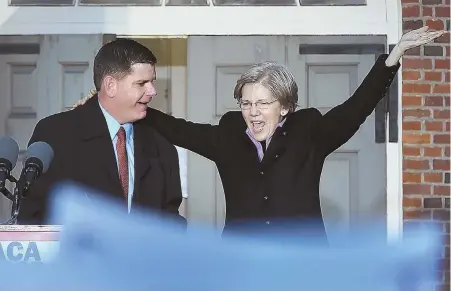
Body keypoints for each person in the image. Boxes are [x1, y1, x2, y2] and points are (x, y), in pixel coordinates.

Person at [75, 27, 446, 237]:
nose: (252, 113)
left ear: (284, 106)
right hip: (243, 266)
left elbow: (356, 108)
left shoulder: (309, 131)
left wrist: (392, 59)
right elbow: (175, 128)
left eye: (262, 104)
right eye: (246, 103)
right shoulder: (227, 135)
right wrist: (111, 104)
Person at [18, 39, 186, 227]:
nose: (152, 91)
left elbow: (171, 222)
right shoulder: (55, 135)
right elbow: (30, 215)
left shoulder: (161, 145)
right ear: (110, 85)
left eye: (151, 82)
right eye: (141, 83)